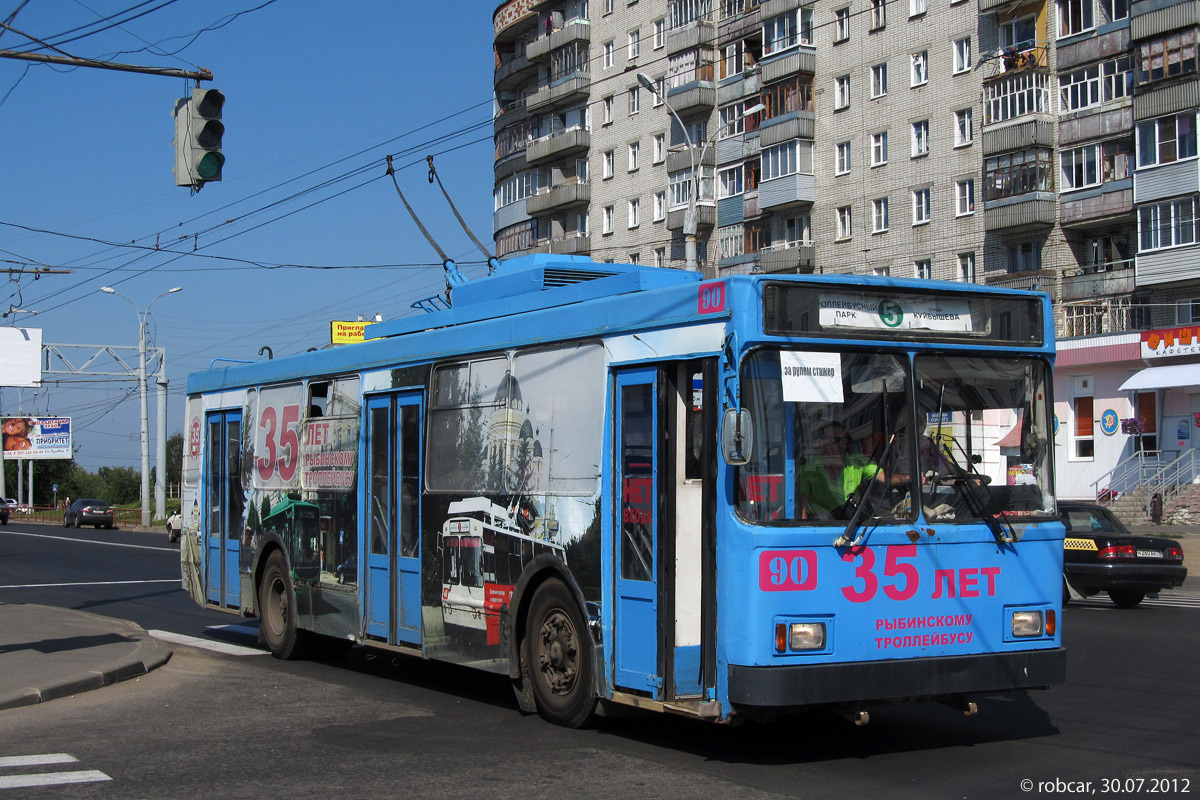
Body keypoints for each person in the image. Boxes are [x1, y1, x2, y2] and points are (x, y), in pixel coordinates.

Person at [798, 422, 884, 519]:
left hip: (852, 524)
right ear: (822, 443)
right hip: (821, 527)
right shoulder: (809, 470)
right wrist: (805, 529)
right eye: (836, 440)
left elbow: (887, 478)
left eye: (844, 439)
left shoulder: (857, 462)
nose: (841, 444)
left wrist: (903, 477)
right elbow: (802, 506)